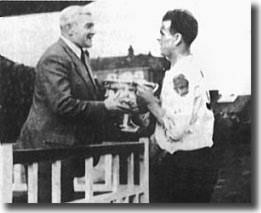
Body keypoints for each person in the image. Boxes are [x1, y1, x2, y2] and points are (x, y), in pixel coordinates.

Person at [15, 5, 131, 203]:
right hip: (47, 152)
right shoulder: (55, 57)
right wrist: (106, 106)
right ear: (69, 29)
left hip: (61, 150)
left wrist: (116, 91)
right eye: (89, 26)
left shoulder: (80, 55)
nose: (93, 31)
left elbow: (88, 89)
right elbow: (63, 104)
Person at [136, 9, 217, 202]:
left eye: (163, 33)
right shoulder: (188, 68)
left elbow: (176, 130)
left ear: (177, 38)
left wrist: (150, 102)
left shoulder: (181, 74)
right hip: (194, 163)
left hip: (184, 167)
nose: (159, 39)